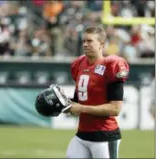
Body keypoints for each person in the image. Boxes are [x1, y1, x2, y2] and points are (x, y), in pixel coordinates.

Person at [65, 26, 129, 158]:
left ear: (101, 44)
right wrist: (62, 105)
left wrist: (81, 108)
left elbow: (115, 109)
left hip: (104, 135)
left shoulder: (111, 65)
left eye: (89, 41)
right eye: (83, 41)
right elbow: (78, 102)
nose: (85, 44)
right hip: (82, 135)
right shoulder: (79, 64)